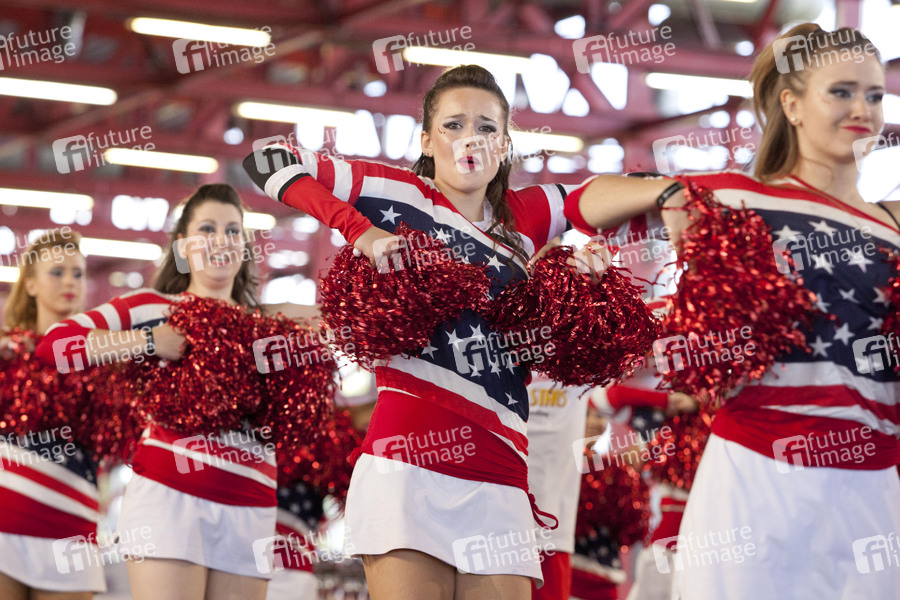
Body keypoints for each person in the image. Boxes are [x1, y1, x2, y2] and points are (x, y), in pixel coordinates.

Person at [243, 64, 613, 599]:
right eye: (453, 125)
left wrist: (591, 268)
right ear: (426, 139)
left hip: (501, 469)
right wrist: (361, 231)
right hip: (406, 466)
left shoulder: (527, 216)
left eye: (486, 128)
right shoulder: (398, 193)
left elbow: (611, 195)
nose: (470, 139)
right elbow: (266, 159)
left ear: (504, 145)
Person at [563, 23, 900, 598]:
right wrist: (669, 193)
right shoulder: (737, 195)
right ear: (791, 104)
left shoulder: (890, 223)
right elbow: (583, 204)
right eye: (841, 92)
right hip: (756, 478)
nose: (861, 110)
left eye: (873, 94)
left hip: (873, 493)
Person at [36, 184, 315, 600]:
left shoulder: (269, 323)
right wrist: (150, 341)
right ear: (183, 246)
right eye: (207, 229)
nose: (221, 240)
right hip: (170, 501)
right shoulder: (153, 307)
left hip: (252, 505)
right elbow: (54, 347)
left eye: (233, 230)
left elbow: (344, 327)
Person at [0, 229, 104, 598]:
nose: (70, 282)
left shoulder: (104, 359)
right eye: (57, 272)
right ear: (30, 284)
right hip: (5, 517)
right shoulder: (5, 354)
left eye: (78, 273)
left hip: (72, 520)